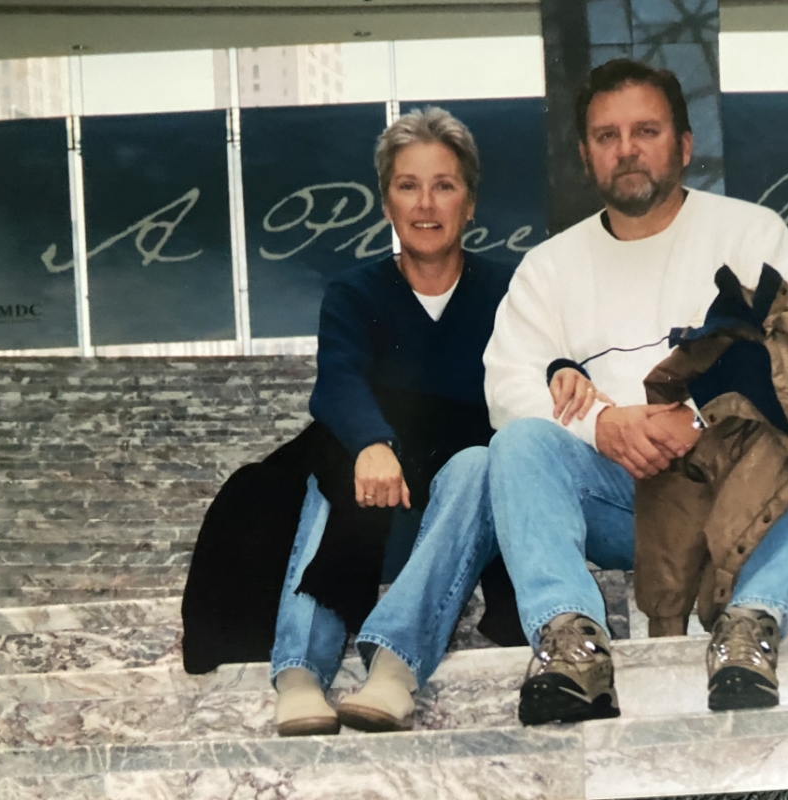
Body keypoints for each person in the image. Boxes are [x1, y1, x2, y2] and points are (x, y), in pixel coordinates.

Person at [482, 58, 788, 725]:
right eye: (606, 136)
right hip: (620, 496)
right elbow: (507, 387)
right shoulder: (549, 267)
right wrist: (606, 426)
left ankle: (749, 628)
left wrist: (705, 422)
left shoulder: (751, 234)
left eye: (645, 130)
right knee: (518, 445)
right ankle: (573, 644)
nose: (626, 150)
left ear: (683, 145)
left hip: (743, 488)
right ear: (586, 154)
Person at [180, 107, 523, 738]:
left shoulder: (510, 292)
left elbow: (535, 377)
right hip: (376, 494)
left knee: (483, 462)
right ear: (386, 203)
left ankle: (394, 667)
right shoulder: (355, 292)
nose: (426, 204)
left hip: (457, 508)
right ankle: (300, 672)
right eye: (407, 185)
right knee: (327, 463)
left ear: (470, 203)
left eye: (444, 185)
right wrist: (371, 441)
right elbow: (338, 378)